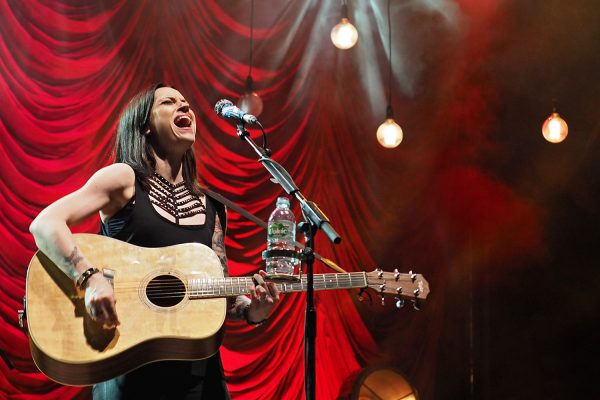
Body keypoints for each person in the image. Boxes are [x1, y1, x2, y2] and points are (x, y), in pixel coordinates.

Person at [29, 83, 280, 399]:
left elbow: (219, 291)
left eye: (186, 102)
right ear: (145, 126)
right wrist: (90, 279)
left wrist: (252, 310)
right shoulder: (123, 179)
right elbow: (45, 224)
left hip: (200, 378)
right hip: (129, 369)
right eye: (169, 102)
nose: (184, 107)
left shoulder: (213, 206)